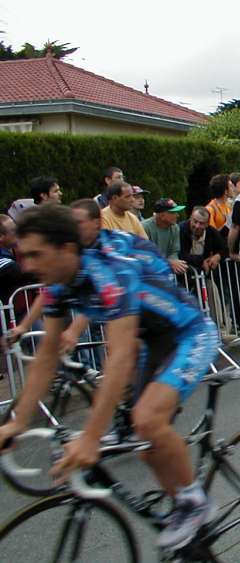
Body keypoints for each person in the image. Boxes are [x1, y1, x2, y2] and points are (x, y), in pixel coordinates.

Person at [0, 204, 220, 550]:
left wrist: (91, 437)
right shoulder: (57, 286)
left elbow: (118, 357)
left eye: (35, 255)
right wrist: (17, 422)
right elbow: (46, 356)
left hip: (190, 332)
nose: (26, 266)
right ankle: (183, 515)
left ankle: (195, 502)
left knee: (147, 420)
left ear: (66, 249)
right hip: (153, 339)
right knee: (144, 443)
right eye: (22, 255)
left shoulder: (110, 271)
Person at [142, 198, 188, 274]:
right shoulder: (144, 227)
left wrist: (175, 263)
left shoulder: (175, 228)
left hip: (165, 271)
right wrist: (169, 262)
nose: (177, 215)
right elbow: (144, 255)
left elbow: (174, 251)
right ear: (162, 216)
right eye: (174, 212)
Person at [178, 207, 226, 273]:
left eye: (201, 223)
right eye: (195, 221)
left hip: (205, 273)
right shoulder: (180, 230)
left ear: (207, 224)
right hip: (183, 274)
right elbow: (181, 255)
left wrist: (218, 256)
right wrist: (201, 261)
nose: (197, 226)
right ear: (190, 218)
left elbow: (225, 248)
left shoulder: (211, 232)